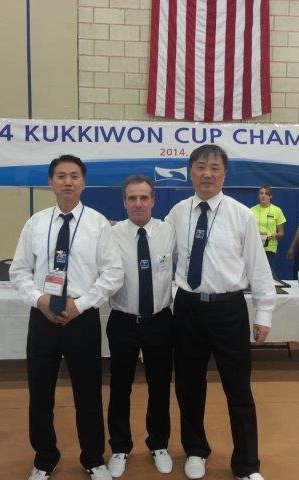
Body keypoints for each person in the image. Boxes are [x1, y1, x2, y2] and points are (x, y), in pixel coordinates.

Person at [165, 144, 276, 480]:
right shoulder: (178, 213)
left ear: (225, 173)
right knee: (188, 386)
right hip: (187, 310)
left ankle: (246, 465)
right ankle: (196, 451)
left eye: (214, 167)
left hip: (229, 311)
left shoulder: (241, 214)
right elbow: (161, 260)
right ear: (190, 172)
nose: (207, 174)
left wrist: (264, 313)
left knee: (239, 390)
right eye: (200, 166)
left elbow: (258, 269)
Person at [9, 154, 124, 480]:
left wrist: (82, 304)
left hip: (81, 318)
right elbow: (18, 271)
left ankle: (93, 459)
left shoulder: (99, 224)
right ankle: (45, 457)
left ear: (83, 183)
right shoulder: (35, 223)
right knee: (40, 392)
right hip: (42, 317)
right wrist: (40, 299)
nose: (68, 182)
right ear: (51, 182)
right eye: (61, 176)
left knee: (87, 392)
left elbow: (112, 274)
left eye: (74, 176)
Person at [106, 175, 176, 478]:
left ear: (153, 200)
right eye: (132, 198)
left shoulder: (168, 232)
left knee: (160, 387)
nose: (138, 203)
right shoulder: (110, 234)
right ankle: (120, 447)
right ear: (124, 202)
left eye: (144, 197)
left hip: (160, 321)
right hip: (123, 321)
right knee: (120, 388)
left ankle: (158, 443)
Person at [250, 186, 286, 269]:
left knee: (265, 270)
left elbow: (281, 233)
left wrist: (270, 236)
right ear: (258, 195)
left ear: (270, 196)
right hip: (254, 246)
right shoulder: (251, 210)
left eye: (266, 194)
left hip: (269, 246)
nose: (263, 195)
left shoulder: (277, 211)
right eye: (261, 193)